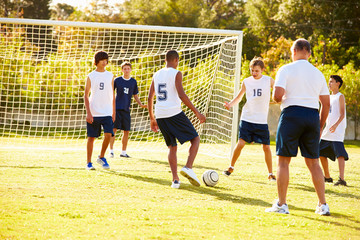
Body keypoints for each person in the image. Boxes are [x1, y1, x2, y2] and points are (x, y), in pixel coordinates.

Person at [266, 39, 331, 215]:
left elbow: (278, 96)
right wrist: (319, 125)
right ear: (309, 53)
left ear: (293, 51)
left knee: (283, 161)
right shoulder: (318, 73)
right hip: (311, 117)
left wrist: (277, 95)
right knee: (313, 163)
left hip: (291, 115)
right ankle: (323, 205)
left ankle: (281, 204)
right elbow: (325, 104)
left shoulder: (286, 69)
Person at [148, 50, 206, 189]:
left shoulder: (156, 74)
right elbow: (181, 95)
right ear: (176, 60)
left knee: (171, 147)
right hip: (173, 112)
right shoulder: (177, 73)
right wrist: (197, 113)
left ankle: (175, 180)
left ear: (165, 60)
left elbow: (150, 97)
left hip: (160, 114)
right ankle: (188, 167)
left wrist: (152, 118)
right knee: (195, 139)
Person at [223, 57, 276, 181]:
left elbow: (278, 90)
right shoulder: (246, 81)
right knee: (241, 143)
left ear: (262, 70)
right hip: (247, 118)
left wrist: (281, 97)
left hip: (261, 121)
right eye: (252, 70)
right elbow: (239, 97)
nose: (254, 73)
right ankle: (230, 167)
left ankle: (270, 173)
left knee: (266, 147)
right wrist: (230, 104)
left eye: (256, 71)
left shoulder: (269, 80)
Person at [109, 62, 147, 158]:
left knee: (126, 131)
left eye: (128, 68)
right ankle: (111, 151)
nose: (126, 70)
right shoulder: (117, 80)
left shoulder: (133, 82)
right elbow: (111, 93)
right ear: (122, 70)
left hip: (126, 109)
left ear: (130, 70)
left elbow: (135, 95)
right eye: (124, 68)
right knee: (114, 129)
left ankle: (123, 152)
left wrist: (141, 104)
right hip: (116, 109)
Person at [84, 51, 115, 170]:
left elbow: (112, 94)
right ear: (96, 61)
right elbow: (86, 95)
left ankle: (101, 157)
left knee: (108, 134)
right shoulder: (91, 76)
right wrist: (88, 112)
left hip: (107, 112)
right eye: (102, 59)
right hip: (94, 111)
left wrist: (114, 112)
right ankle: (88, 162)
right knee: (91, 138)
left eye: (106, 59)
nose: (104, 61)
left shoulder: (110, 75)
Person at [319, 75, 349, 186]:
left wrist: (336, 125)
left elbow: (342, 114)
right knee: (320, 152)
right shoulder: (328, 97)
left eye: (332, 81)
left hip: (337, 130)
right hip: (328, 129)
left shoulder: (340, 96)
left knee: (340, 154)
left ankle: (341, 179)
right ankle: (327, 177)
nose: (329, 83)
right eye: (329, 81)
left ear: (338, 83)